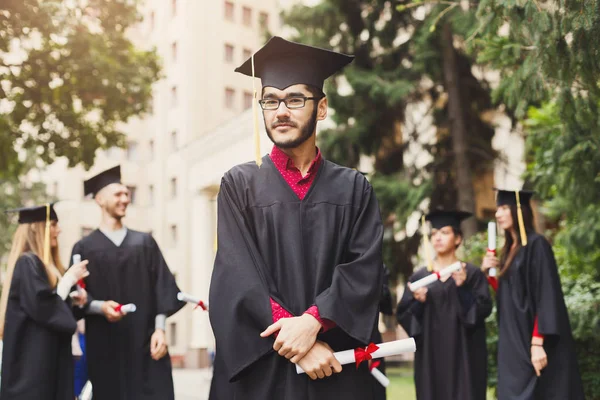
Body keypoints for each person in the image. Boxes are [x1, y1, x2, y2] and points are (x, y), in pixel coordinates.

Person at [208, 36, 384, 399]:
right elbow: (236, 275)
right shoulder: (239, 185)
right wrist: (296, 339)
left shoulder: (353, 188)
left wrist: (314, 321)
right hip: (266, 365)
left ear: (321, 108)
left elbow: (364, 270)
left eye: (295, 99)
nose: (281, 111)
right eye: (270, 100)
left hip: (334, 364)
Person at [71, 166, 184, 400]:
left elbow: (162, 288)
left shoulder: (144, 243)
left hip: (146, 344)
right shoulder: (83, 248)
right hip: (105, 347)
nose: (125, 199)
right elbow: (76, 295)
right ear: (100, 200)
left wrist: (161, 329)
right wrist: (99, 306)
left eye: (126, 194)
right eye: (118, 194)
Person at [481, 189, 584, 399]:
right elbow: (511, 297)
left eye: (503, 208)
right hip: (513, 341)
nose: (498, 214)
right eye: (497, 209)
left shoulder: (537, 245)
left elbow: (546, 295)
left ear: (519, 211)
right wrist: (489, 274)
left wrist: (537, 342)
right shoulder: (510, 250)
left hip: (533, 339)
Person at [397, 210, 492, 400]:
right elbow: (405, 317)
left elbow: (482, 311)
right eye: (434, 234)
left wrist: (463, 288)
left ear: (458, 239)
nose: (438, 237)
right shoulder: (420, 278)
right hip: (431, 359)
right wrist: (418, 302)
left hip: (465, 356)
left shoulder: (471, 275)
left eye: (445, 233)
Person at [0, 203, 88, 399]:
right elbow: (42, 307)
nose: (59, 230)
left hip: (50, 367)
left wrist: (74, 302)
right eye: (54, 224)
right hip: (32, 376)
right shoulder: (27, 263)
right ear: (37, 228)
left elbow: (54, 310)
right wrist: (67, 282)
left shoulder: (46, 267)